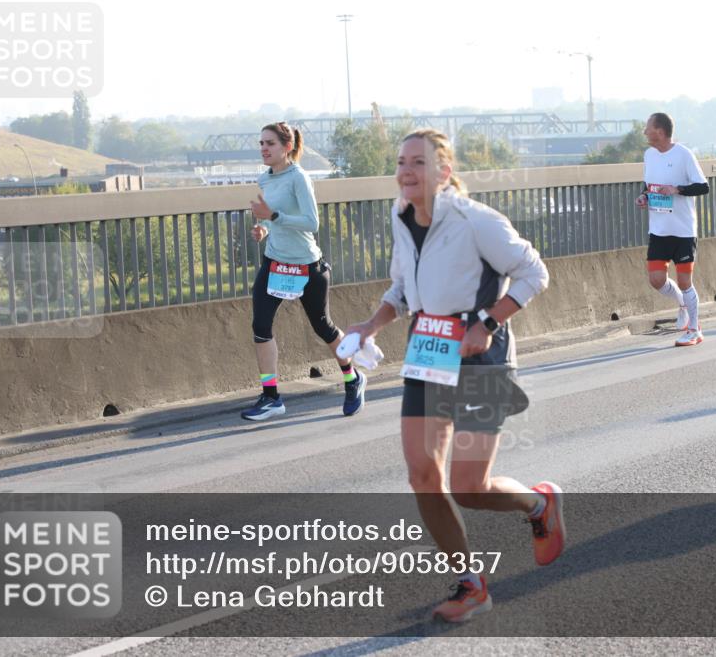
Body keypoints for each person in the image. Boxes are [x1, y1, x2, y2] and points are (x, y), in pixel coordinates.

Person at [346, 129, 565, 623]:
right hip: (429, 349)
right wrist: (369, 325)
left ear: (443, 172)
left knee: (469, 486)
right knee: (423, 475)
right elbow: (403, 287)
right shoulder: (402, 217)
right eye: (401, 162)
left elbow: (534, 273)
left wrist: (486, 324)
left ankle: (538, 504)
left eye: (418, 162)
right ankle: (471, 585)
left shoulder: (475, 220)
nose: (406, 171)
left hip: (482, 356)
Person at [242, 122, 366, 420]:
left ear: (287, 147)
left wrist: (272, 216)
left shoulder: (299, 178)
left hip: (306, 266)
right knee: (261, 327)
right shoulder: (265, 178)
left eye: (270, 143)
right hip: (274, 263)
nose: (264, 148)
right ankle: (271, 397)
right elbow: (275, 221)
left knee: (323, 327)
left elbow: (311, 223)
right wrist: (264, 228)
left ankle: (352, 378)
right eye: (261, 143)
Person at [635, 112, 711, 346]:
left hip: (683, 230)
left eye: (648, 127)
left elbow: (703, 187)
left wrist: (676, 190)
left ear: (659, 131)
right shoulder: (649, 155)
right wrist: (644, 196)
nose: (645, 132)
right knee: (656, 280)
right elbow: (649, 185)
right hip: (659, 228)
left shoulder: (683, 154)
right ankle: (682, 304)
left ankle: (695, 329)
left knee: (685, 280)